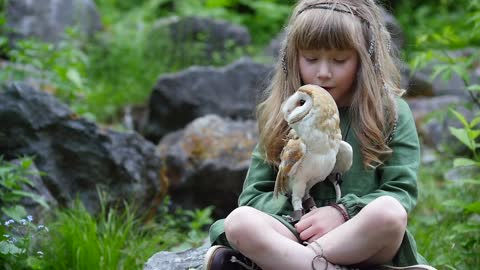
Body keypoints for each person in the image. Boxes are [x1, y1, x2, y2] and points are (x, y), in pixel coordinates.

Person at [203, 0, 435, 269]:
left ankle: (278, 264)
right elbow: (254, 196)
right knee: (240, 222)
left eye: (339, 60)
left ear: (364, 60)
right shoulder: (285, 113)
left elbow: (400, 192)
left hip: (359, 236)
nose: (323, 73)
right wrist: (302, 217)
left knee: (389, 213)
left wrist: (342, 213)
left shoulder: (391, 113)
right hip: (293, 231)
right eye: (311, 59)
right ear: (293, 57)